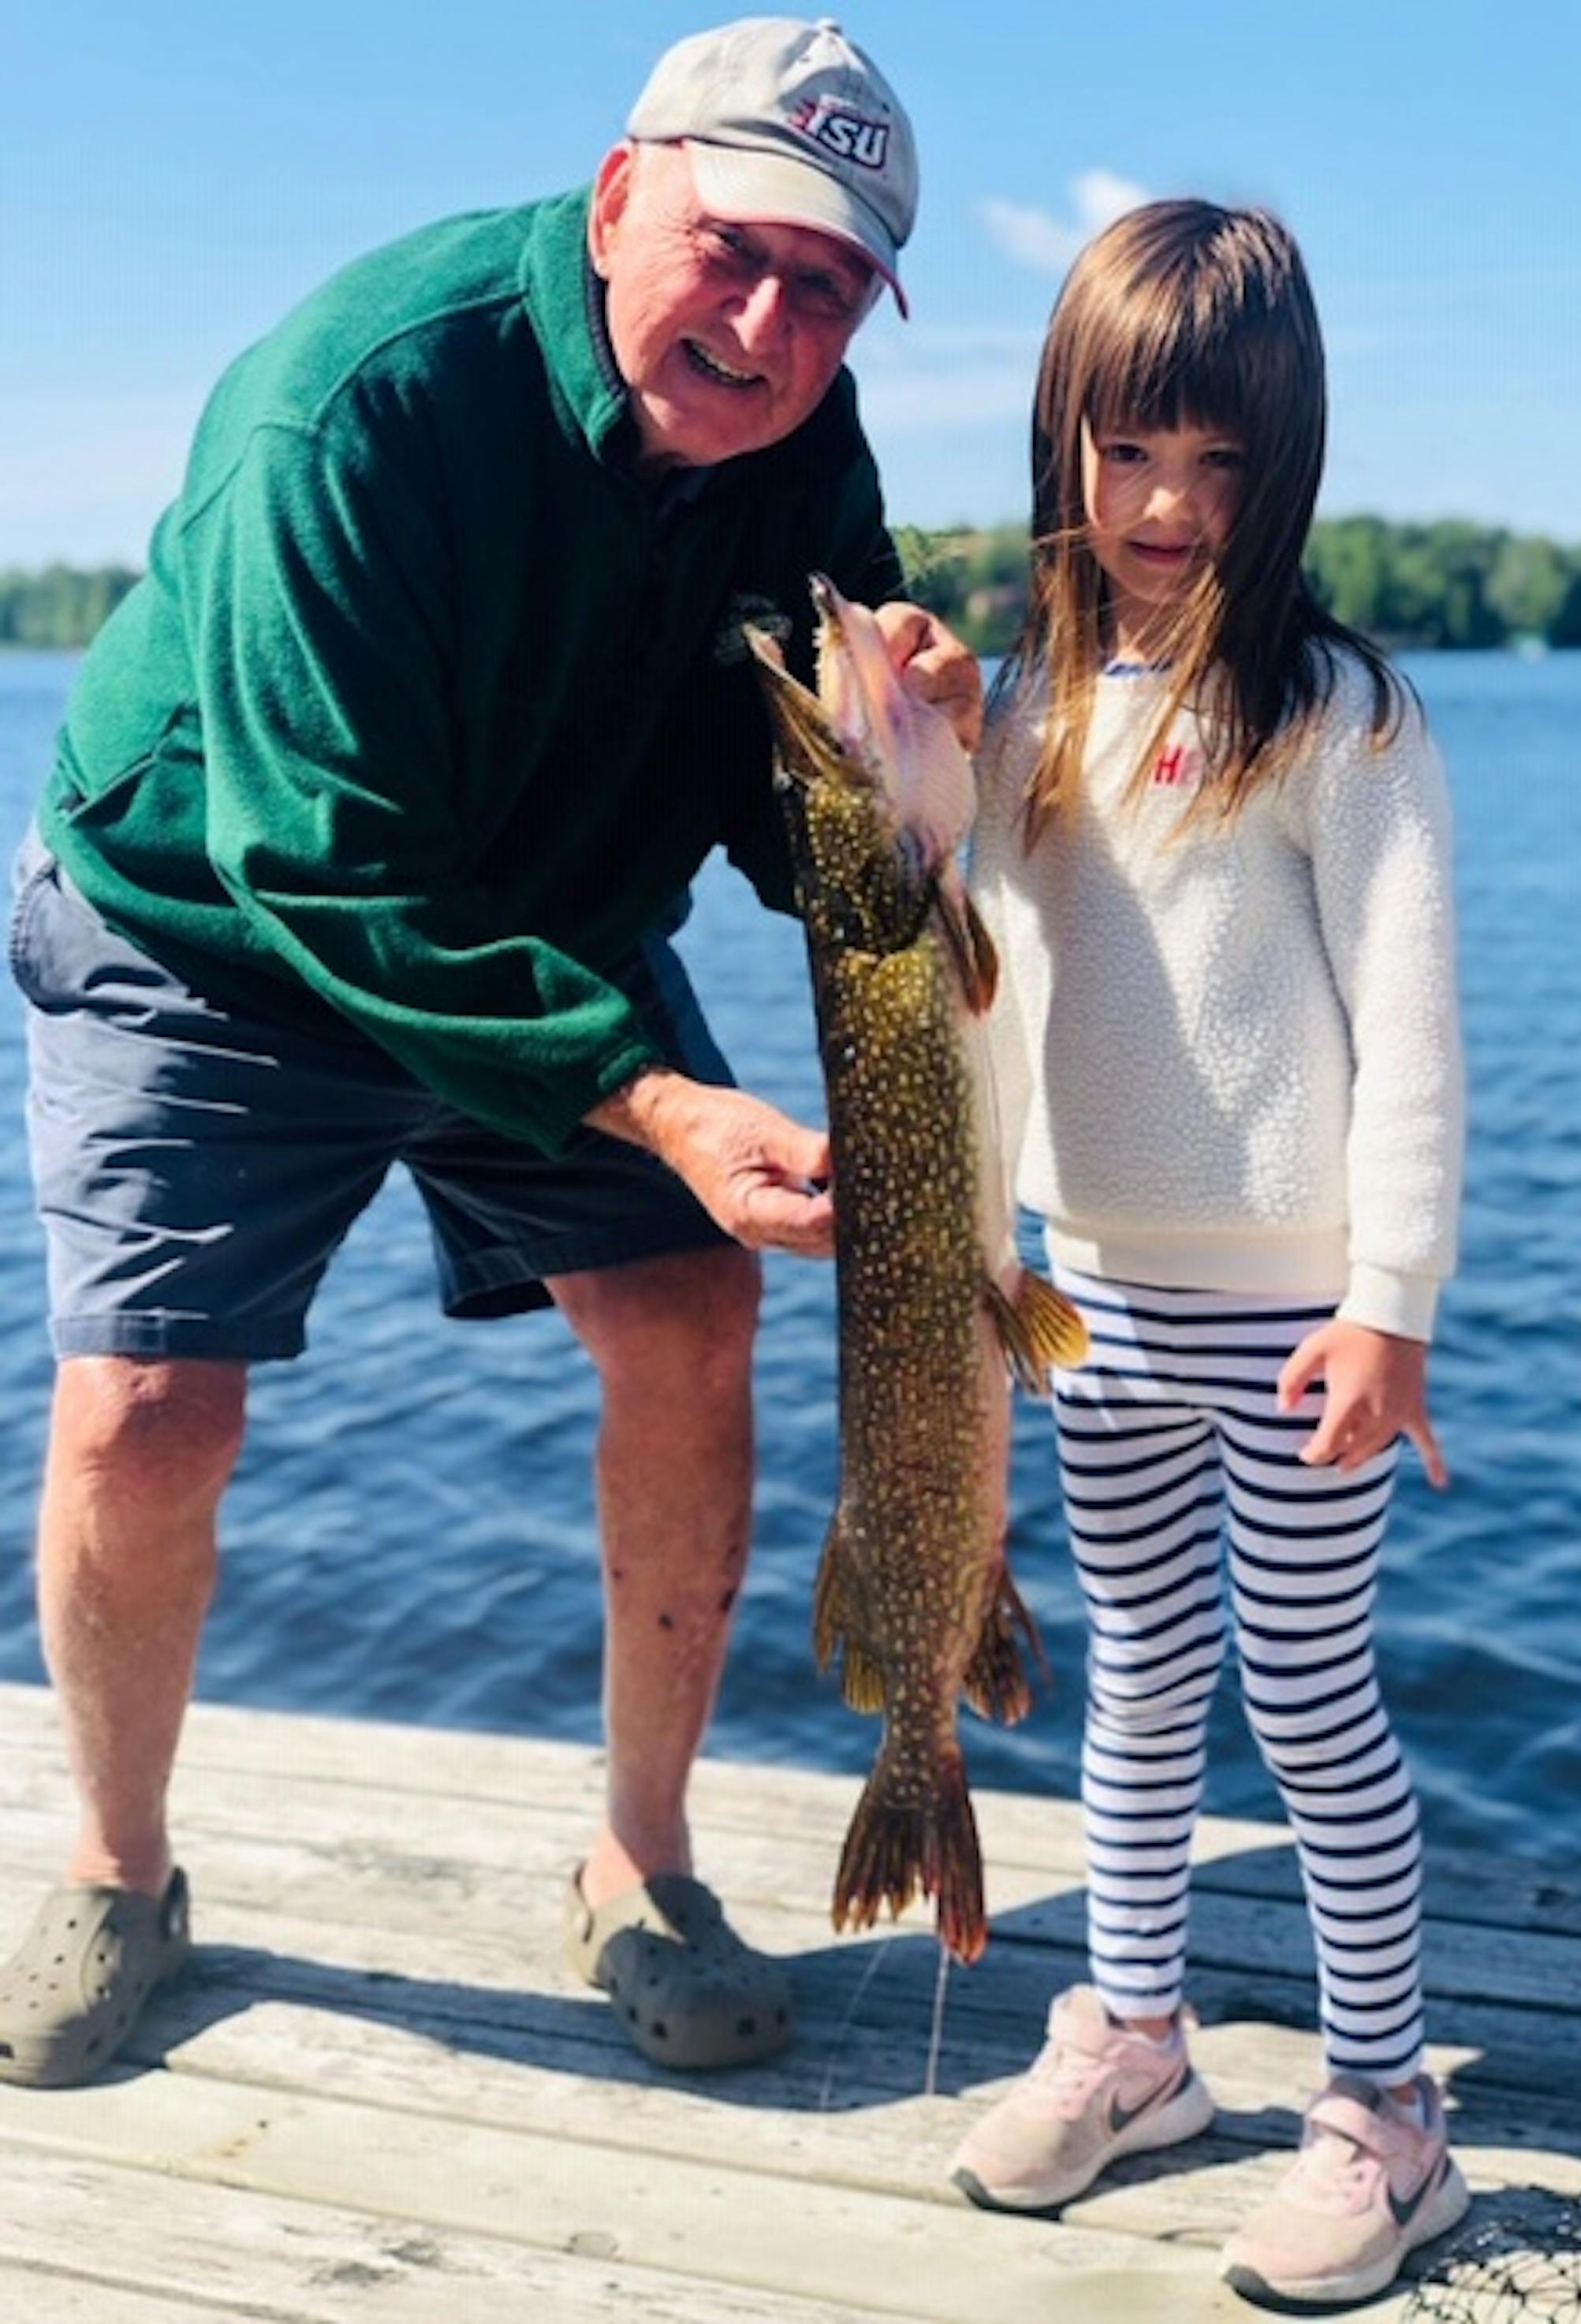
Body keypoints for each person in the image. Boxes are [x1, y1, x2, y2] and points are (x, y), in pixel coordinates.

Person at [0, 15, 980, 2091]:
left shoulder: (808, 449)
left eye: (829, 286)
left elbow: (813, 826)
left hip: (544, 913)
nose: (767, 318)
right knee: (144, 1405)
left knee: (691, 1306)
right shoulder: (358, 400)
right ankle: (113, 1865)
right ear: (621, 189)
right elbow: (322, 861)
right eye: (735, 243)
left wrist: (919, 787)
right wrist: (656, 1096)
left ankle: (641, 1859)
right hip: (213, 921)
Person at [948, 200, 1469, 2311]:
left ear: (1285, 469)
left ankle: (1384, 2113)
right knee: (1143, 1678)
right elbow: (957, 974)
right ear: (1067, 441)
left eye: (1222, 466)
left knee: (1312, 1694)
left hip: (1294, 1319)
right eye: (1133, 451)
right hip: (1096, 1301)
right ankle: (1140, 2038)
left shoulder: (1338, 713)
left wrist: (1393, 1306)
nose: (1170, 505)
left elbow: (1414, 1034)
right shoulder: (1015, 712)